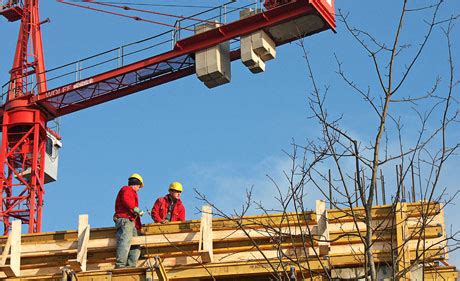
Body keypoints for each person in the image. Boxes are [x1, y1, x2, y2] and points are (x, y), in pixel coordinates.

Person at [113, 173, 145, 268]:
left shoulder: (132, 193)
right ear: (137, 184)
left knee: (136, 243)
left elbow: (134, 213)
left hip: (131, 221)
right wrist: (135, 208)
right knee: (125, 240)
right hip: (125, 219)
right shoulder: (127, 189)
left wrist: (139, 227)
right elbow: (126, 201)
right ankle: (120, 265)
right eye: (139, 187)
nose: (139, 189)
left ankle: (131, 265)